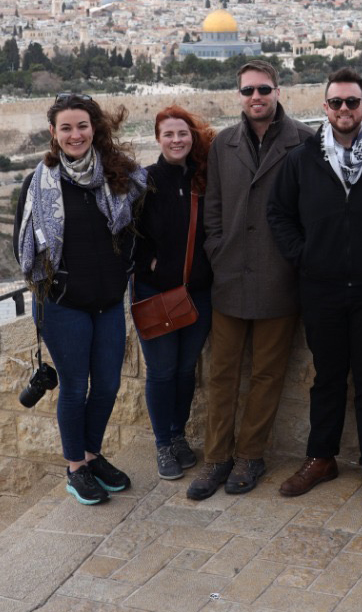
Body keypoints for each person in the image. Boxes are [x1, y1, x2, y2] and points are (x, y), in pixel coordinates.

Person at [267, 68, 362, 510]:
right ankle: (321, 458)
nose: (344, 109)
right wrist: (306, 256)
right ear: (325, 107)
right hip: (321, 287)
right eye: (336, 102)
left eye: (352, 102)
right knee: (326, 378)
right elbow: (278, 213)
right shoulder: (303, 158)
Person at [189, 60, 314, 501]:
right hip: (231, 275)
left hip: (280, 276)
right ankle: (216, 458)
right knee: (221, 373)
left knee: (267, 374)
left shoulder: (304, 140)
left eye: (263, 89)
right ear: (238, 96)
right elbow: (215, 205)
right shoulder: (224, 143)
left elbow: (312, 208)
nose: (255, 97)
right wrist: (217, 250)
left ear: (277, 91)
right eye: (247, 91)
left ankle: (251, 455)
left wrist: (297, 259)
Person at [13, 93, 146, 505]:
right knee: (74, 388)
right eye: (66, 128)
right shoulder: (39, 183)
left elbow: (135, 229)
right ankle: (75, 469)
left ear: (95, 129)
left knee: (106, 384)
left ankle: (92, 455)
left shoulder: (118, 176)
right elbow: (22, 246)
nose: (75, 135)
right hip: (64, 304)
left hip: (107, 301)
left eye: (82, 126)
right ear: (53, 133)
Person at [133, 105, 216, 480]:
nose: (177, 140)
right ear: (158, 139)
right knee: (163, 372)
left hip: (197, 292)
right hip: (156, 293)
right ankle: (163, 444)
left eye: (182, 133)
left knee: (185, 371)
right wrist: (152, 264)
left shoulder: (204, 179)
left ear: (192, 136)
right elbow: (125, 234)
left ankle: (178, 435)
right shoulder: (144, 181)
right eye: (169, 134)